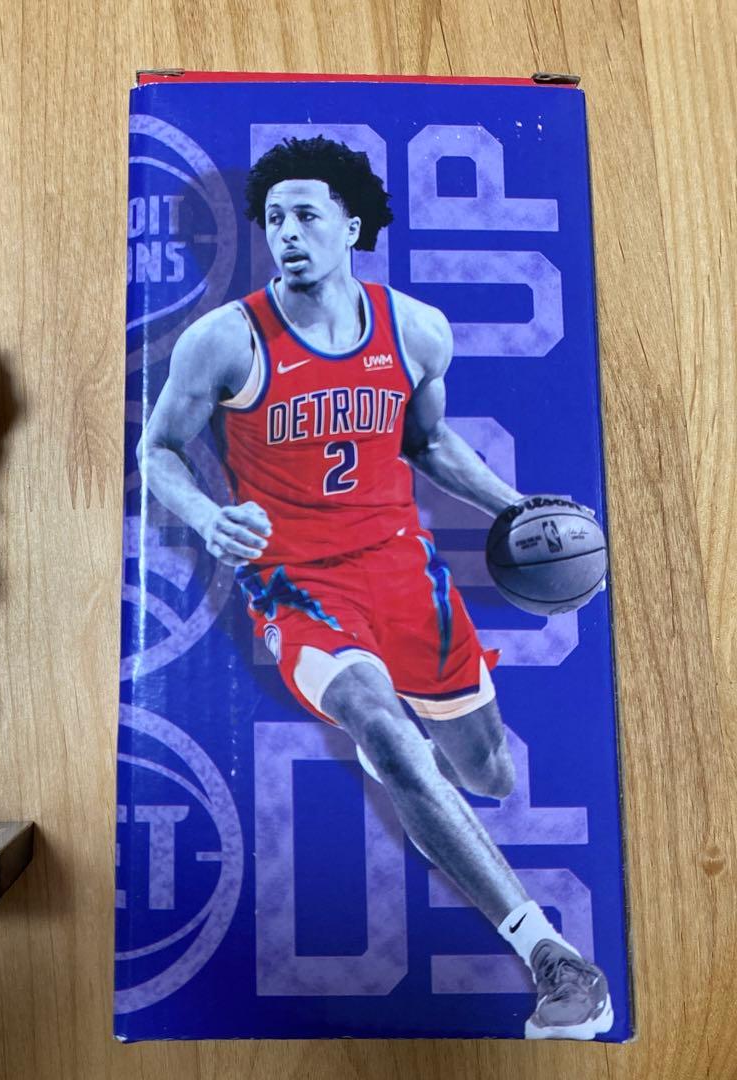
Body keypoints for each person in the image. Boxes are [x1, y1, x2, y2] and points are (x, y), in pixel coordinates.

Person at [139, 136, 611, 1039]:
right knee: (387, 733)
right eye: (274, 218)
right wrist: (206, 516)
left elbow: (426, 443)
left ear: (352, 226)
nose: (288, 233)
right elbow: (157, 448)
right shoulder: (226, 340)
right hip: (297, 585)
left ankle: (411, 767)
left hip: (404, 572)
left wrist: (521, 509)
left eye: (307, 215)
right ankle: (551, 955)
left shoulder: (416, 330)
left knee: (488, 772)